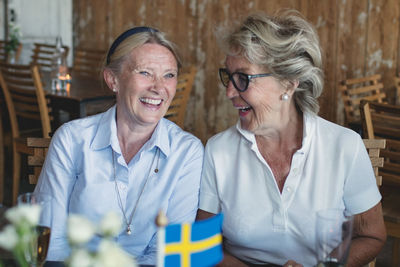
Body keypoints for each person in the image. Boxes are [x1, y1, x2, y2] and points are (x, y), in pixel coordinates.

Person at [196, 10, 386, 267]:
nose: (229, 91)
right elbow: (200, 244)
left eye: (243, 78)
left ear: (288, 83)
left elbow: (372, 236)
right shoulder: (218, 150)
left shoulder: (344, 147)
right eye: (228, 77)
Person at [34, 26, 204, 265]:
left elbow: (169, 255)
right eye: (145, 72)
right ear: (113, 79)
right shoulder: (72, 140)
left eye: (169, 75)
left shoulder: (187, 153)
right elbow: (53, 243)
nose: (159, 87)